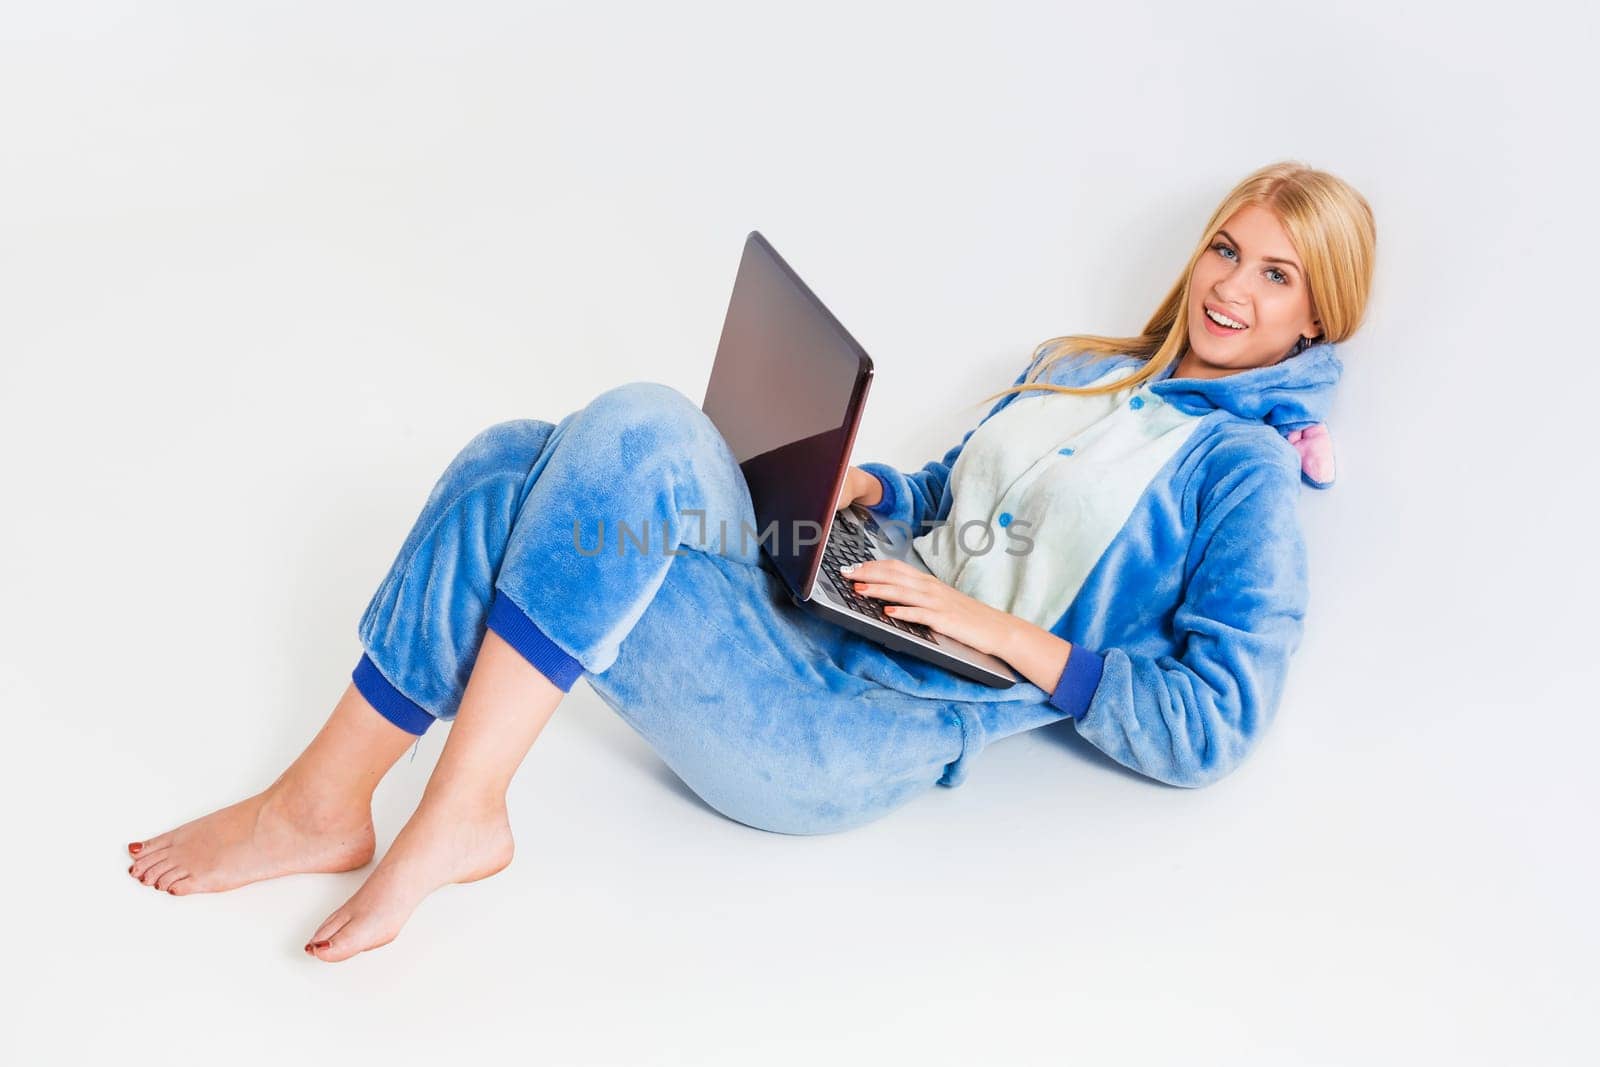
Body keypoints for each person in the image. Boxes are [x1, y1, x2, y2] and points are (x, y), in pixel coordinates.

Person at [123, 160, 1376, 963]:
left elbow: (1216, 720)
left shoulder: (1247, 477)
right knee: (519, 453)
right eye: (1226, 249)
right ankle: (328, 802)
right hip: (830, 613)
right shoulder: (1078, 366)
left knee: (642, 425)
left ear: (1315, 314)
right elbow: (957, 491)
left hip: (856, 725)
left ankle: (456, 810)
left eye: (1276, 276)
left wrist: (989, 627)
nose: (1233, 289)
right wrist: (872, 490)